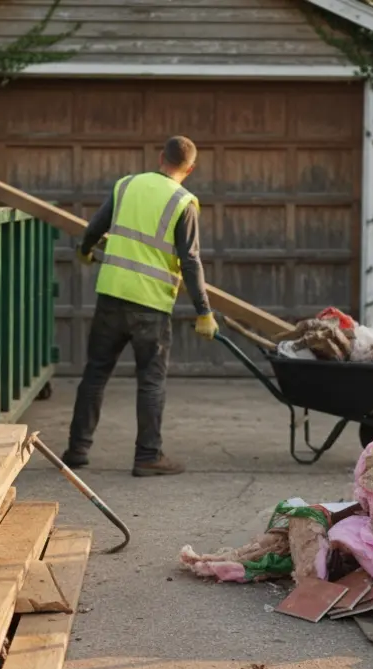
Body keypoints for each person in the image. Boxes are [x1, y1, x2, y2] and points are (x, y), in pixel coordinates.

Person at [61, 135, 217, 477]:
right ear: (190, 169)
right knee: (150, 380)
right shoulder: (183, 201)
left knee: (96, 372)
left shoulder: (127, 185)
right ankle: (147, 455)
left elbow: (96, 226)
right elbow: (190, 260)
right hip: (150, 304)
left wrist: (86, 248)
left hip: (112, 295)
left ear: (161, 157)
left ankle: (76, 450)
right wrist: (204, 311)